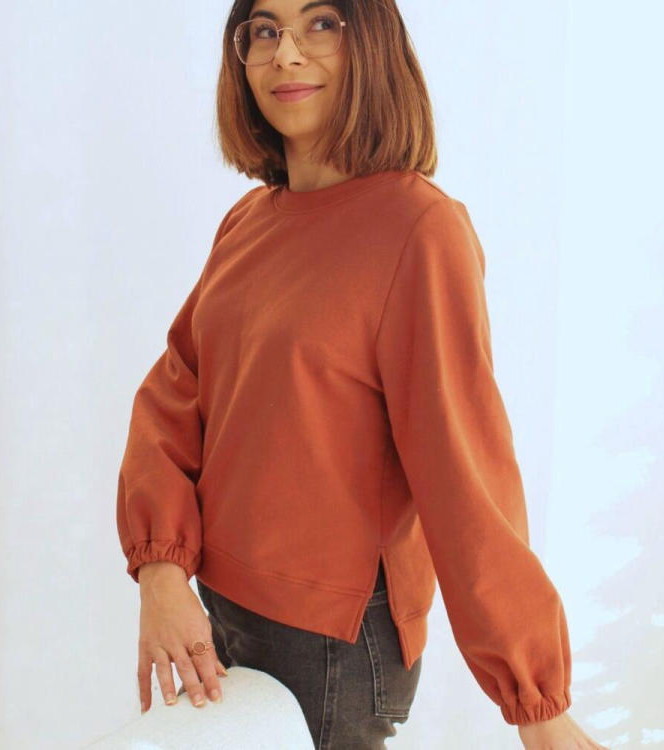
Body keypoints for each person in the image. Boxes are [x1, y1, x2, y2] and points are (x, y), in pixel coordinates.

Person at [116, 1, 609, 748]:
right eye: (265, 30)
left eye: (321, 23)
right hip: (219, 607)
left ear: (372, 43)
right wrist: (161, 570)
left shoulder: (419, 230)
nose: (286, 54)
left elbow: (463, 471)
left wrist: (536, 701)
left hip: (331, 646)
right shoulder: (249, 221)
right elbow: (173, 397)